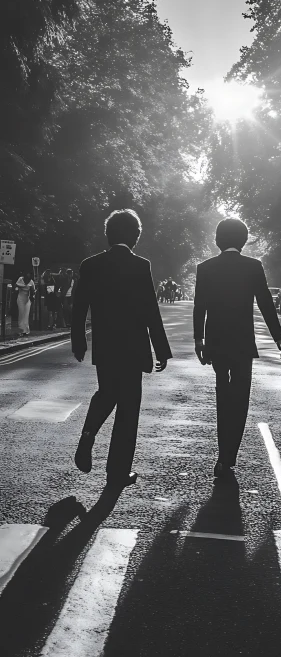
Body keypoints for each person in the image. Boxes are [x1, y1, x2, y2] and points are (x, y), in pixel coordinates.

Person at [71, 208, 172, 490]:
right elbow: (151, 310)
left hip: (105, 344)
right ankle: (117, 472)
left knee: (106, 392)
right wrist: (161, 350)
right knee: (128, 410)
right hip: (133, 346)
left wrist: (78, 340)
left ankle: (88, 434)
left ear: (108, 234)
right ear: (136, 236)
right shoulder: (141, 265)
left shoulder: (90, 264)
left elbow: (79, 307)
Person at [194, 217, 281, 478]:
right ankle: (229, 455)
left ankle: (223, 454)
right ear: (244, 241)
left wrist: (198, 339)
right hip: (244, 342)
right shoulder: (253, 267)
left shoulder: (206, 267)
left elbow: (199, 306)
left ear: (218, 239)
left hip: (216, 341)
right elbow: (266, 303)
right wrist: (277, 335)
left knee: (222, 394)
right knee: (241, 397)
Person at [15, 272, 35, 336]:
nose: (28, 274)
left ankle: (26, 330)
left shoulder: (31, 282)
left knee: (26, 314)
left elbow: (33, 290)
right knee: (21, 313)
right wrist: (23, 286)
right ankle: (21, 330)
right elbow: (16, 285)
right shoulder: (20, 279)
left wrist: (32, 291)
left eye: (29, 274)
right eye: (27, 273)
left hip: (28, 299)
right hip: (20, 298)